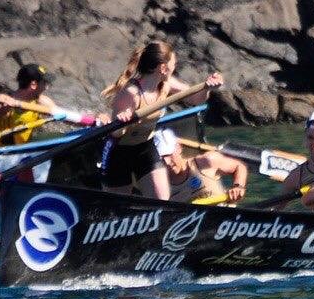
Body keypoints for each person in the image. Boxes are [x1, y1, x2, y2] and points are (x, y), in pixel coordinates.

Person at [100, 41, 223, 200]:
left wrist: (207, 88)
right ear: (163, 68)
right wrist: (123, 121)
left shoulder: (166, 84)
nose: (174, 68)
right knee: (117, 206)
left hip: (145, 147)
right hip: (119, 152)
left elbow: (196, 99)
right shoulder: (131, 93)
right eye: (173, 64)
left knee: (162, 200)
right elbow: (116, 133)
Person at [153, 129, 249, 204]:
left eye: (168, 154)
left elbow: (239, 166)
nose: (167, 161)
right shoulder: (157, 184)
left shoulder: (206, 162)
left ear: (179, 147)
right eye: (161, 158)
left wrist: (238, 187)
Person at [0, 63, 59, 146]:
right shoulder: (4, 100)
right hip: (0, 154)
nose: (46, 87)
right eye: (44, 83)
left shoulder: (42, 101)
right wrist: (9, 105)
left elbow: (64, 115)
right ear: (33, 85)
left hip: (25, 150)